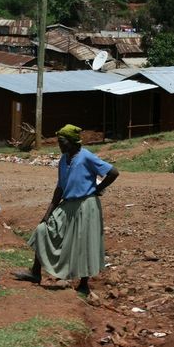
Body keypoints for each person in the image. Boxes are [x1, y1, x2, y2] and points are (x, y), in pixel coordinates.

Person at [14, 124, 119, 295]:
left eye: (62, 142)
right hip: (67, 204)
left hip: (86, 205)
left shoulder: (86, 157)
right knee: (43, 229)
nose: (59, 145)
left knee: (84, 242)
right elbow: (60, 188)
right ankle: (35, 272)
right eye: (59, 142)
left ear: (72, 142)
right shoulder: (63, 159)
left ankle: (84, 284)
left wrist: (97, 189)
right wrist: (47, 214)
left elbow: (113, 172)